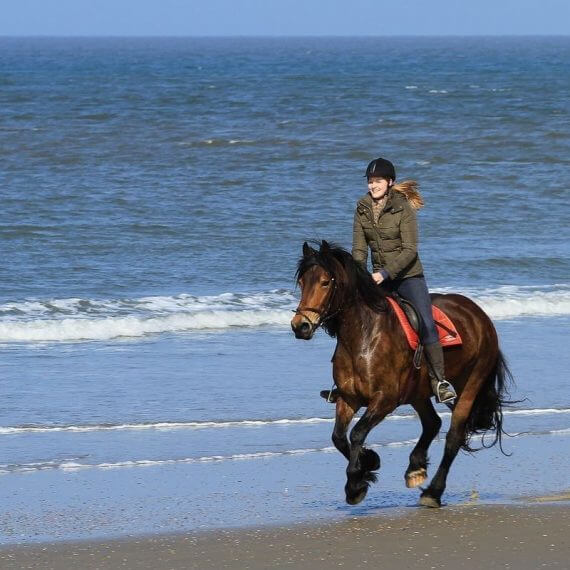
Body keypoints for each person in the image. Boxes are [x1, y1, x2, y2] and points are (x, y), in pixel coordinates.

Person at [351, 157, 457, 404]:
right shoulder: (362, 207)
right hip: (377, 278)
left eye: (377, 181)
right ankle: (346, 379)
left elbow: (409, 250)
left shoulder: (404, 208)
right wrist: (358, 275)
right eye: (370, 181)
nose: (373, 186)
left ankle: (439, 381)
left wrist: (384, 274)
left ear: (390, 182)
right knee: (353, 318)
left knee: (426, 323)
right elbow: (359, 250)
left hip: (408, 276)